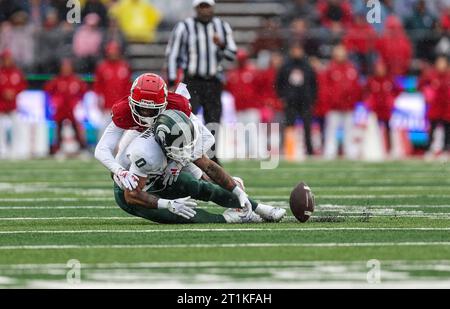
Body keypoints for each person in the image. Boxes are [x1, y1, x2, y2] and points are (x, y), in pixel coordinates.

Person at [114, 109, 286, 224]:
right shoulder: (145, 153)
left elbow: (209, 167)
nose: (185, 151)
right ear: (162, 140)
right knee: (183, 215)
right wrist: (167, 204)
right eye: (179, 147)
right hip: (135, 191)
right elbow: (132, 195)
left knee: (200, 186)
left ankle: (258, 208)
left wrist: (237, 191)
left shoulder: (179, 134)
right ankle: (231, 219)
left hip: (163, 175)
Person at [95, 73, 214, 193]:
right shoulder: (123, 111)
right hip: (139, 133)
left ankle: (230, 192)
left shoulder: (177, 105)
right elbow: (102, 149)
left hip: (171, 137)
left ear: (164, 104)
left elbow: (207, 138)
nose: (146, 114)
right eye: (141, 108)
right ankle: (152, 197)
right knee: (118, 174)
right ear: (132, 103)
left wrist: (178, 163)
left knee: (198, 175)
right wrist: (120, 171)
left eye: (152, 110)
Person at [165, 0, 237, 164]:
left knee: (213, 119)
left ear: (212, 8)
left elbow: (232, 54)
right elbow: (172, 54)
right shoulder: (185, 26)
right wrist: (170, 80)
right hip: (192, 81)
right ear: (196, 8)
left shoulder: (222, 26)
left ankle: (211, 156)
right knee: (186, 118)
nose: (205, 11)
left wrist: (221, 45)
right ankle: (183, 153)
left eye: (207, 7)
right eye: (201, 7)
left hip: (213, 81)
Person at [276, 43, 317, 156]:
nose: (297, 52)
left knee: (307, 126)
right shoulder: (286, 66)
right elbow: (279, 83)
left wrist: (312, 98)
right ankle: (289, 150)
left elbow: (314, 84)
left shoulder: (307, 66)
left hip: (305, 101)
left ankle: (309, 150)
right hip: (291, 101)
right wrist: (283, 97)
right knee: (289, 126)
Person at [323, 45, 362, 160]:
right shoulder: (330, 69)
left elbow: (356, 87)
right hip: (334, 107)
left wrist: (353, 100)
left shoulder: (351, 68)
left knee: (349, 130)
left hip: (349, 106)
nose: (340, 55)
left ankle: (350, 152)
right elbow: (326, 88)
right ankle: (330, 152)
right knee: (331, 130)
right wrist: (331, 101)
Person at [44, 59, 88, 155]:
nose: (66, 69)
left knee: (76, 128)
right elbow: (48, 89)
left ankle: (83, 148)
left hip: (71, 109)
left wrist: (77, 101)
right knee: (59, 129)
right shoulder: (57, 80)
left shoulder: (75, 80)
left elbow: (83, 90)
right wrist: (55, 100)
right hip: (61, 109)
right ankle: (58, 149)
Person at [225, 49, 261, 158]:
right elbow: (228, 89)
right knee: (243, 132)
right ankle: (246, 154)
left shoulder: (252, 72)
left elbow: (259, 88)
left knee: (253, 131)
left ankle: (255, 153)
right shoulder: (232, 74)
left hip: (251, 108)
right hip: (239, 109)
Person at [94, 41, 132, 133]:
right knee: (104, 129)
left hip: (122, 105)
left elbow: (128, 85)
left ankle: (121, 147)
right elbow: (98, 86)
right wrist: (99, 99)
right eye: (111, 52)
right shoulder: (102, 68)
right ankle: (101, 147)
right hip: (108, 105)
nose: (113, 54)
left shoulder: (125, 66)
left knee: (123, 130)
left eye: (115, 52)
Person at [364, 60, 402, 153]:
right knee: (374, 129)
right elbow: (365, 91)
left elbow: (398, 89)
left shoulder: (389, 80)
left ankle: (390, 149)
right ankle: (375, 149)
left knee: (388, 129)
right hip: (375, 109)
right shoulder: (372, 80)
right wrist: (369, 102)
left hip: (386, 110)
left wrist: (391, 99)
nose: (380, 70)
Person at [418, 55, 450, 156]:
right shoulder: (431, 75)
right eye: (439, 62)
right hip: (435, 107)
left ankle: (446, 149)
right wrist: (426, 93)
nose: (441, 65)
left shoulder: (448, 75)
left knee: (447, 129)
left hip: (447, 108)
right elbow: (420, 85)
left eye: (443, 62)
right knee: (432, 128)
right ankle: (429, 149)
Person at [0, 50, 27, 159]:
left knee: (17, 127)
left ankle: (17, 150)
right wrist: (3, 92)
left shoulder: (16, 72)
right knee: (1, 129)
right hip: (1, 105)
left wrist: (14, 92)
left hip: (13, 105)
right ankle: (2, 150)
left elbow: (23, 85)